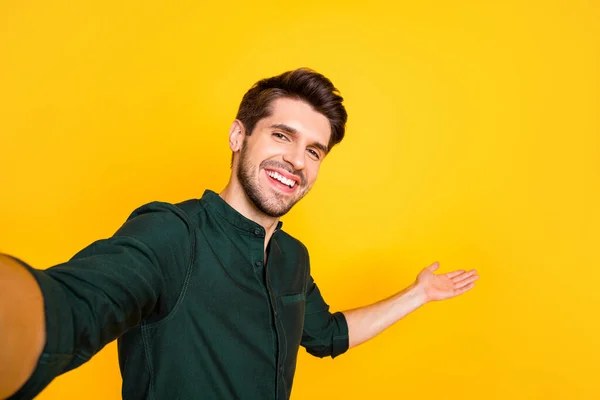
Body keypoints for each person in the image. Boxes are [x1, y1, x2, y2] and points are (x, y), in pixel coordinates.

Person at [0, 68, 479, 400]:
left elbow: (328, 335)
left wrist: (419, 294)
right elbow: (75, 303)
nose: (296, 160)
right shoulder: (173, 233)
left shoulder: (293, 257)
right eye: (281, 135)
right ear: (238, 136)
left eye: (314, 151)